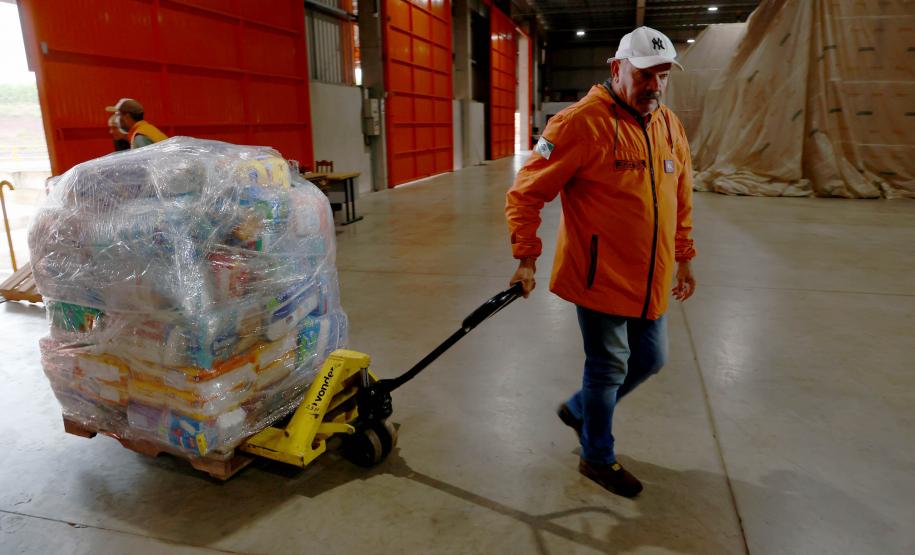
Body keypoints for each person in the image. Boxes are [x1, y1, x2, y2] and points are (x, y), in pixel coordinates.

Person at [505, 26, 697, 498]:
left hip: (649, 274)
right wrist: (527, 256)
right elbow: (525, 193)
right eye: (644, 74)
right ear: (617, 68)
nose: (654, 85)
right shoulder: (578, 123)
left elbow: (682, 194)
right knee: (609, 367)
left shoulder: (669, 123)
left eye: (663, 75)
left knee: (651, 358)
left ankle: (579, 410)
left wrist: (685, 256)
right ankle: (597, 455)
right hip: (599, 276)